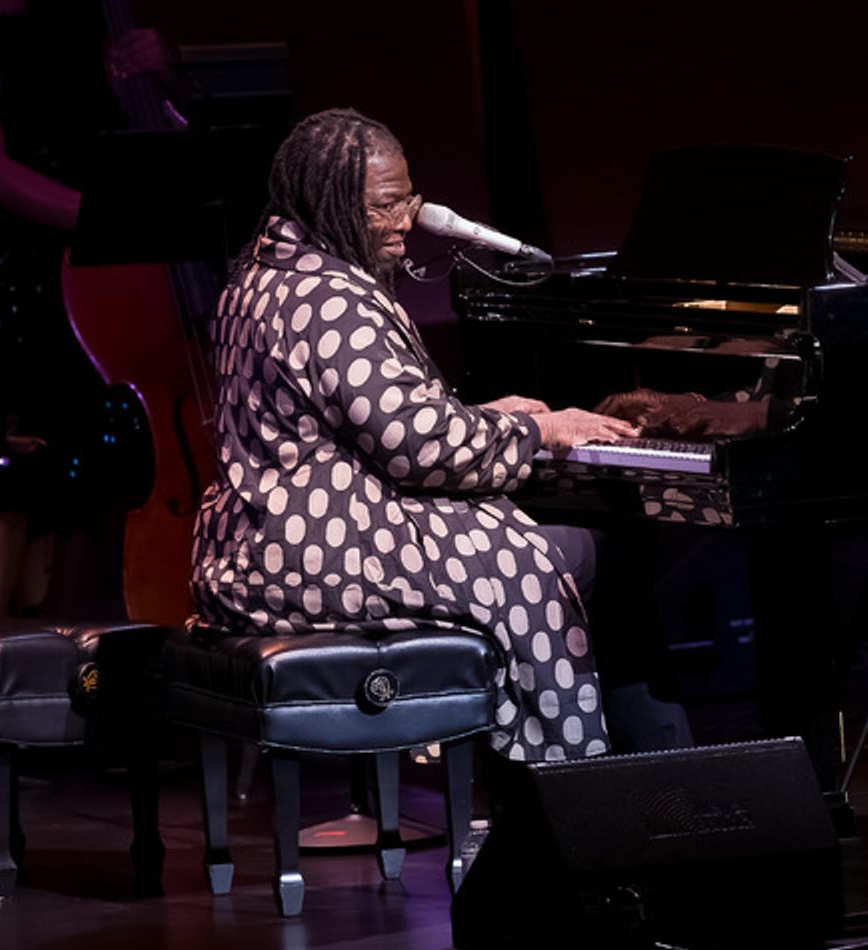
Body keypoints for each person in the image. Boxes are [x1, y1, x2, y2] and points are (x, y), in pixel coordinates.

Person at [190, 107, 697, 762]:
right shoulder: (333, 298)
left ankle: (603, 779)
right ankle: (613, 782)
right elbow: (419, 448)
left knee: (553, 545)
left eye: (409, 199)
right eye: (385, 206)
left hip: (260, 547)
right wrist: (542, 427)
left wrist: (490, 417)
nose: (408, 221)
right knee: (594, 556)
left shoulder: (261, 278)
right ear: (329, 204)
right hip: (329, 554)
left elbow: (358, 422)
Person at [0, 0, 172, 617]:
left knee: (62, 508)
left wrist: (161, 76)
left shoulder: (76, 30)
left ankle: (50, 697)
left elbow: (137, 142)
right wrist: (116, 222)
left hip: (78, 298)